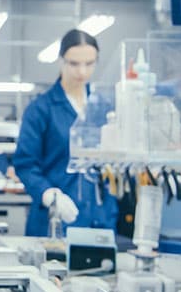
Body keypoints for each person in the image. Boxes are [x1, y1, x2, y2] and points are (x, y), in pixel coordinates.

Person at [14, 30, 118, 237]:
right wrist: (49, 195)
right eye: (74, 64)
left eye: (90, 64)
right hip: (54, 220)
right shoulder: (41, 109)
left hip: (100, 218)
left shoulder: (104, 108)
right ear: (61, 61)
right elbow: (26, 164)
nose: (82, 72)